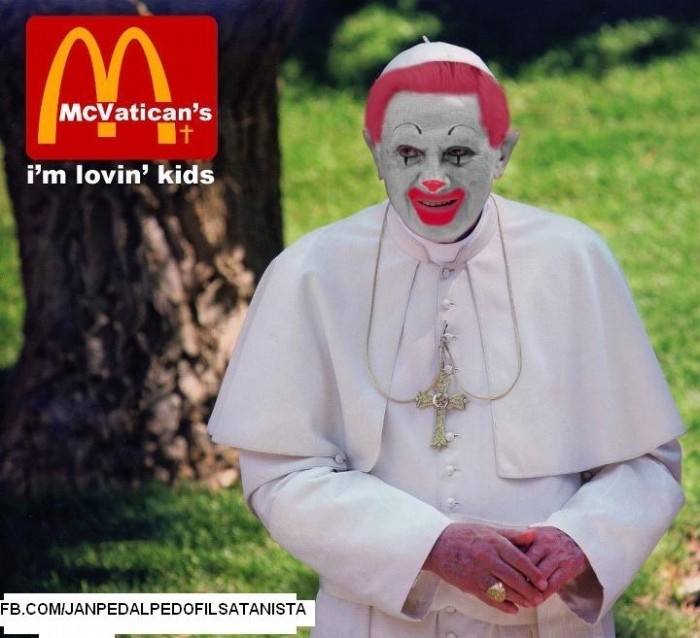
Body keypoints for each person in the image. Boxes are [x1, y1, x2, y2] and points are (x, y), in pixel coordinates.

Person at [208, 41, 685, 637]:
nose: (433, 178)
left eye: (459, 152)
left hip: (547, 622)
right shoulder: (310, 274)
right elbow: (281, 476)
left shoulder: (573, 260)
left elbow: (645, 463)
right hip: (378, 622)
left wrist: (582, 539)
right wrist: (429, 546)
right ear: (375, 153)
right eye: (408, 152)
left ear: (502, 153)